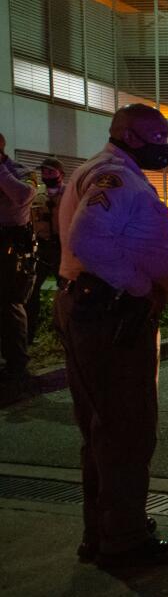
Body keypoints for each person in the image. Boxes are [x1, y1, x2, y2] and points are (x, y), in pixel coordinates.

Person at [55, 104, 168, 564]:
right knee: (126, 431)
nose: (165, 145)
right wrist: (140, 287)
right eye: (158, 136)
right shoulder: (116, 176)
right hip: (111, 315)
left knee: (102, 430)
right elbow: (87, 240)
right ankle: (125, 540)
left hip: (95, 309)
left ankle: (106, 529)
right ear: (130, 135)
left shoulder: (102, 171)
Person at [0, 133, 37, 401]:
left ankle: (17, 367)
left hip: (12, 245)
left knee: (10, 304)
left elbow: (23, 196)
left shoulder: (20, 172)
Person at [27, 158, 66, 346]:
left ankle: (64, 331)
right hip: (42, 247)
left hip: (62, 247)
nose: (47, 175)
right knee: (32, 289)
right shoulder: (36, 194)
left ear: (61, 174)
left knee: (66, 290)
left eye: (51, 172)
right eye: (45, 172)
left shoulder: (69, 194)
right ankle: (29, 334)